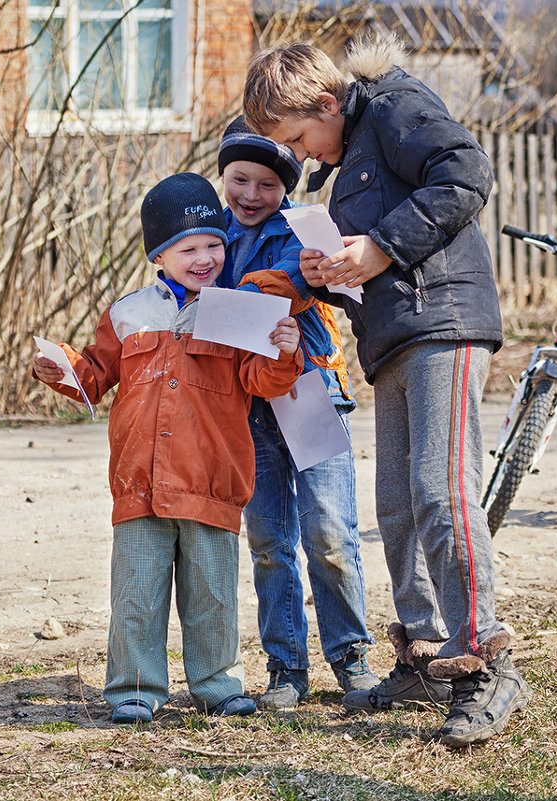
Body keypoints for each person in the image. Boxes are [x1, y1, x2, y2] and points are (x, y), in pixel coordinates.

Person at [242, 35, 531, 747]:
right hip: (392, 342)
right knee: (397, 504)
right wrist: (327, 271)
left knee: (441, 490)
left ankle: (486, 664)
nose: (302, 154)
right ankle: (428, 657)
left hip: (448, 325)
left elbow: (465, 173)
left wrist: (376, 247)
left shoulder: (395, 104)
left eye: (299, 136)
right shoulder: (345, 173)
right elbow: (371, 267)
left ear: (327, 102)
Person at [31, 172, 303, 724]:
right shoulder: (127, 314)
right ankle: (135, 688)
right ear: (159, 256)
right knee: (136, 597)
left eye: (213, 245)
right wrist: (58, 369)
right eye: (188, 248)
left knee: (213, 597)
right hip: (139, 484)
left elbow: (264, 381)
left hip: (212, 482)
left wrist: (282, 349)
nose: (204, 258)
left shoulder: (238, 311)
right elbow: (93, 375)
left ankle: (216, 684)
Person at [215, 116, 377, 711]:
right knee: (267, 540)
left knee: (330, 532)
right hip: (248, 408)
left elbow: (294, 281)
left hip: (310, 391)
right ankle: (286, 667)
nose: (251, 195)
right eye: (240, 180)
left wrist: (248, 296)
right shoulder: (212, 239)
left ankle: (351, 655)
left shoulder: (299, 231)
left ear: (286, 188)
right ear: (223, 177)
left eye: (266, 184)